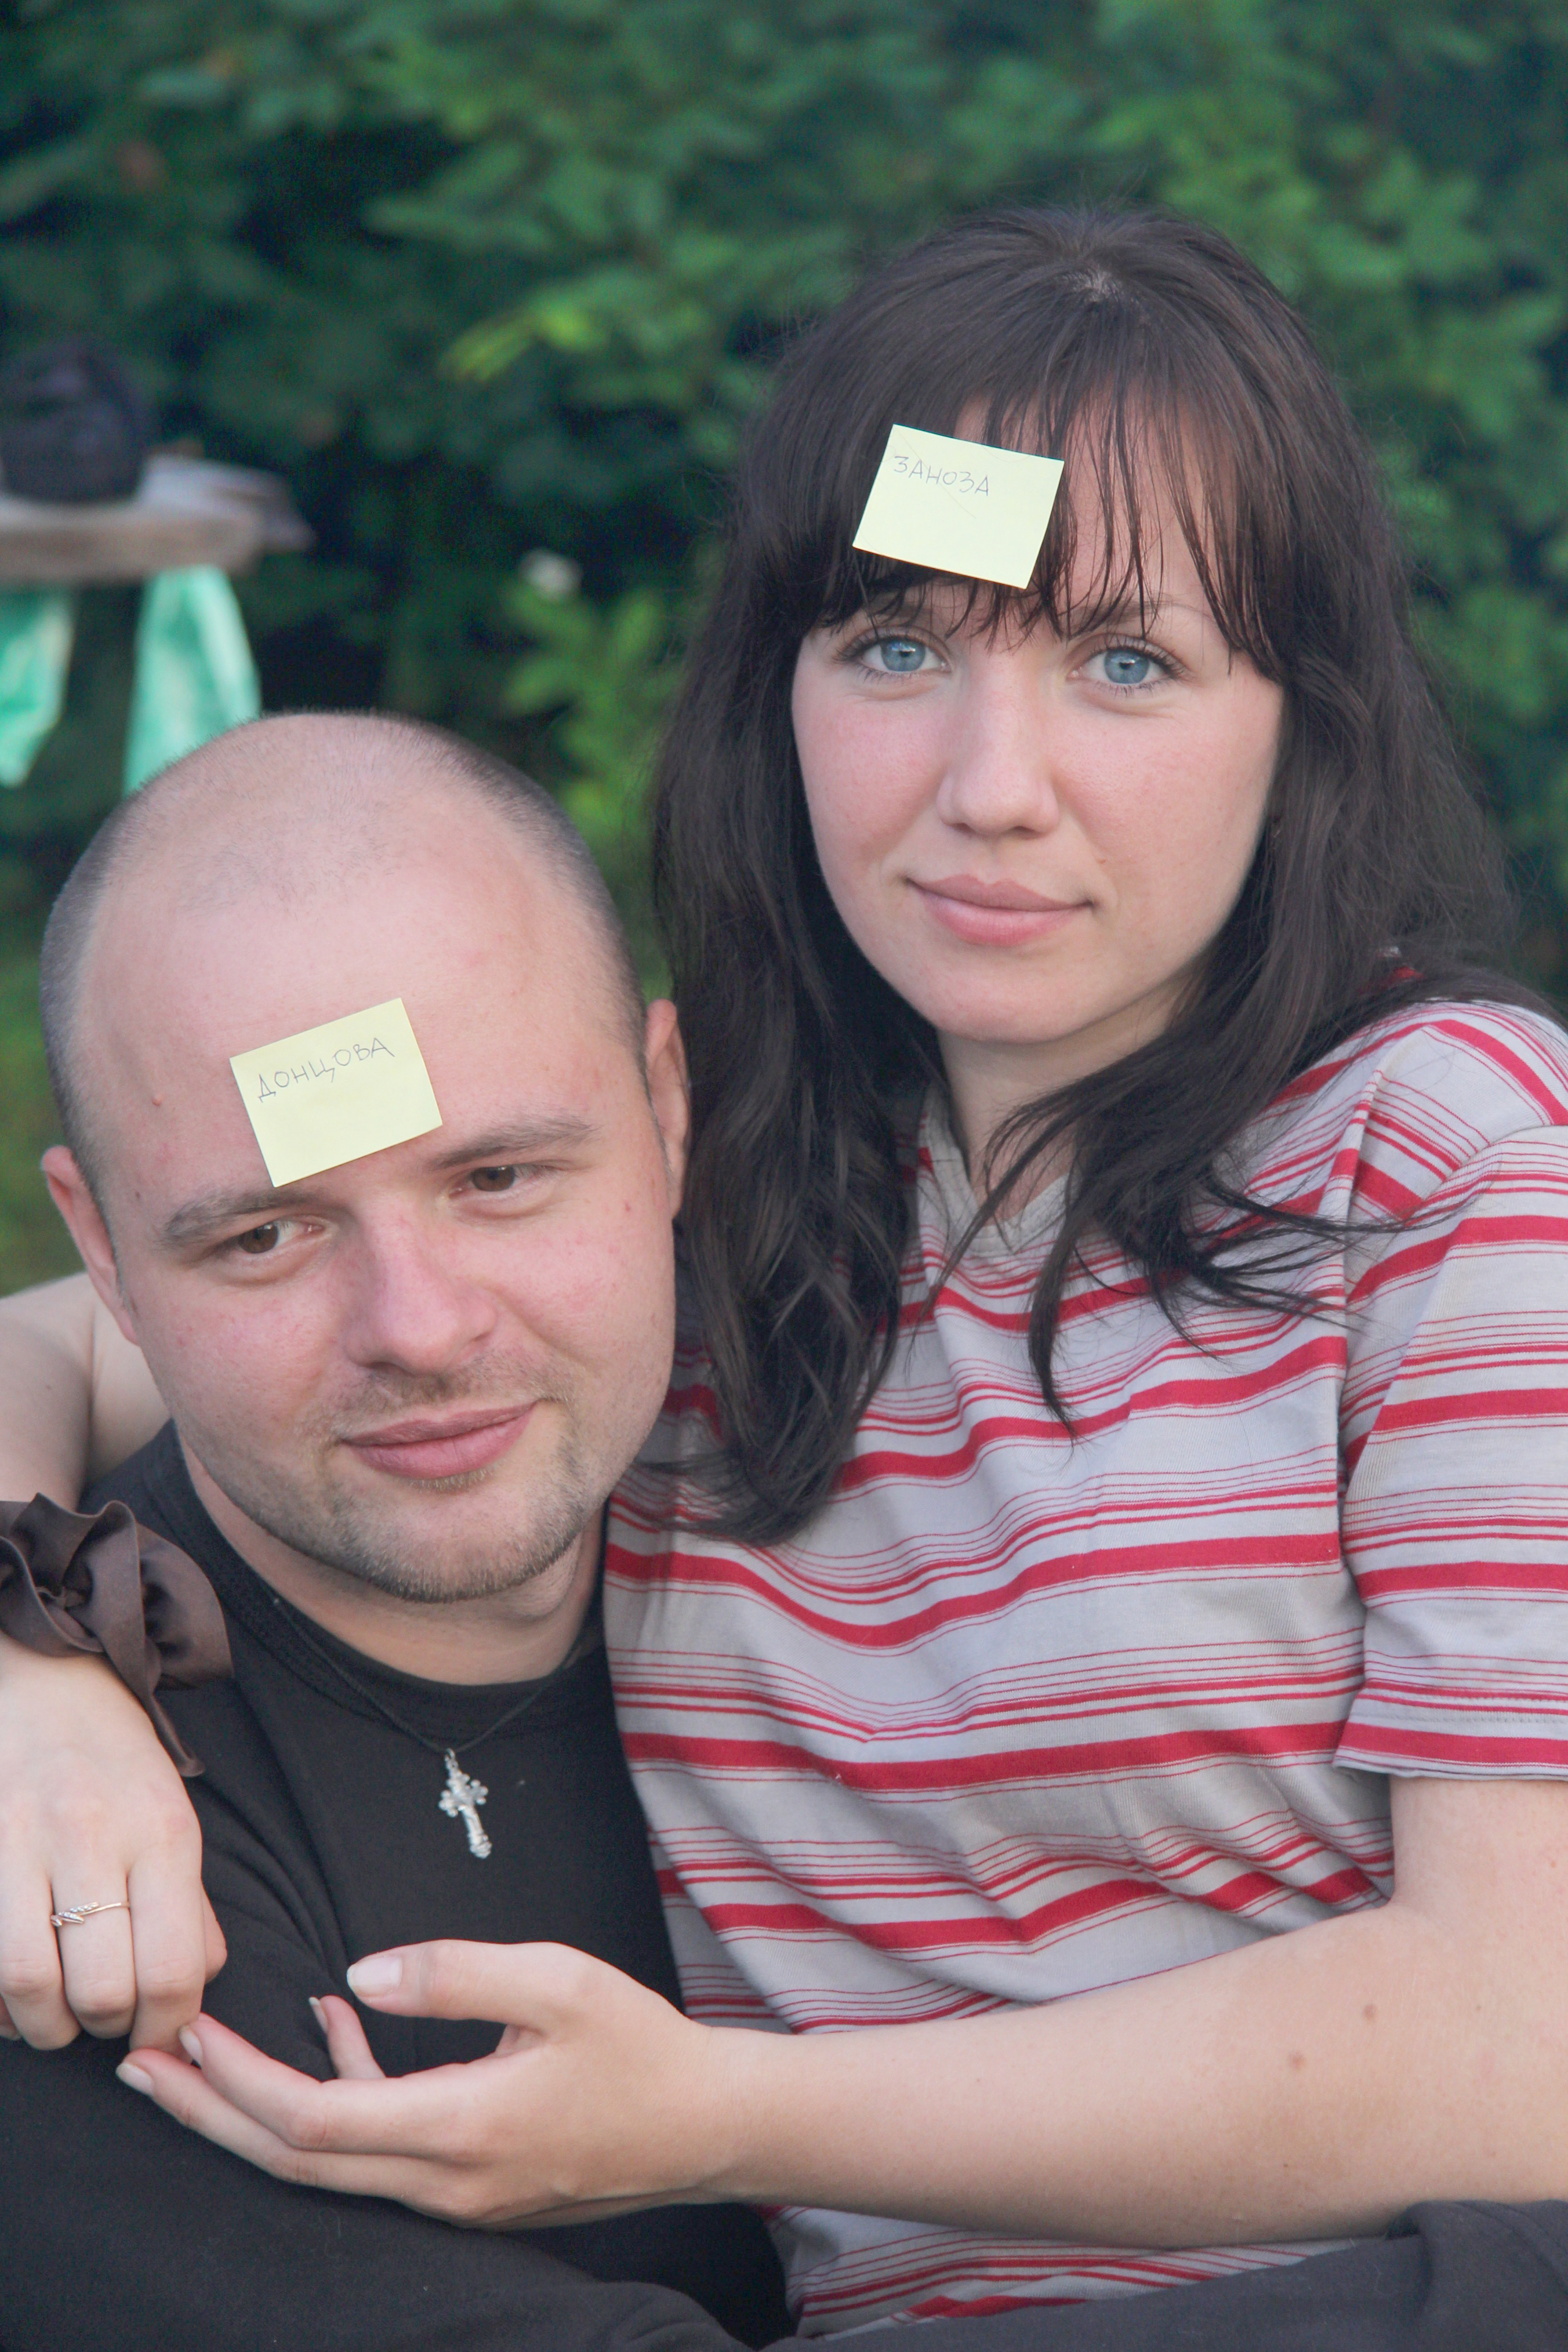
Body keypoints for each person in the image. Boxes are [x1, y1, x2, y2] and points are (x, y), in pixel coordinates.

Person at [4, 206, 1568, 2347]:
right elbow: (132, 1318)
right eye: (900, 647)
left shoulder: (1447, 1162)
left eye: (1127, 663)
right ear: (784, 687)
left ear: (1299, 721)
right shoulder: (716, 1181)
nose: (991, 790)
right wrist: (31, 1671)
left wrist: (720, 2116)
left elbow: (1524, 2046)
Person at [0, 710, 792, 2352]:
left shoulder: (916, 1484)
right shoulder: (61, 1862)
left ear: (668, 1109)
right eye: (268, 1237)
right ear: (106, 1255)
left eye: (498, 1178)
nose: (418, 1330)